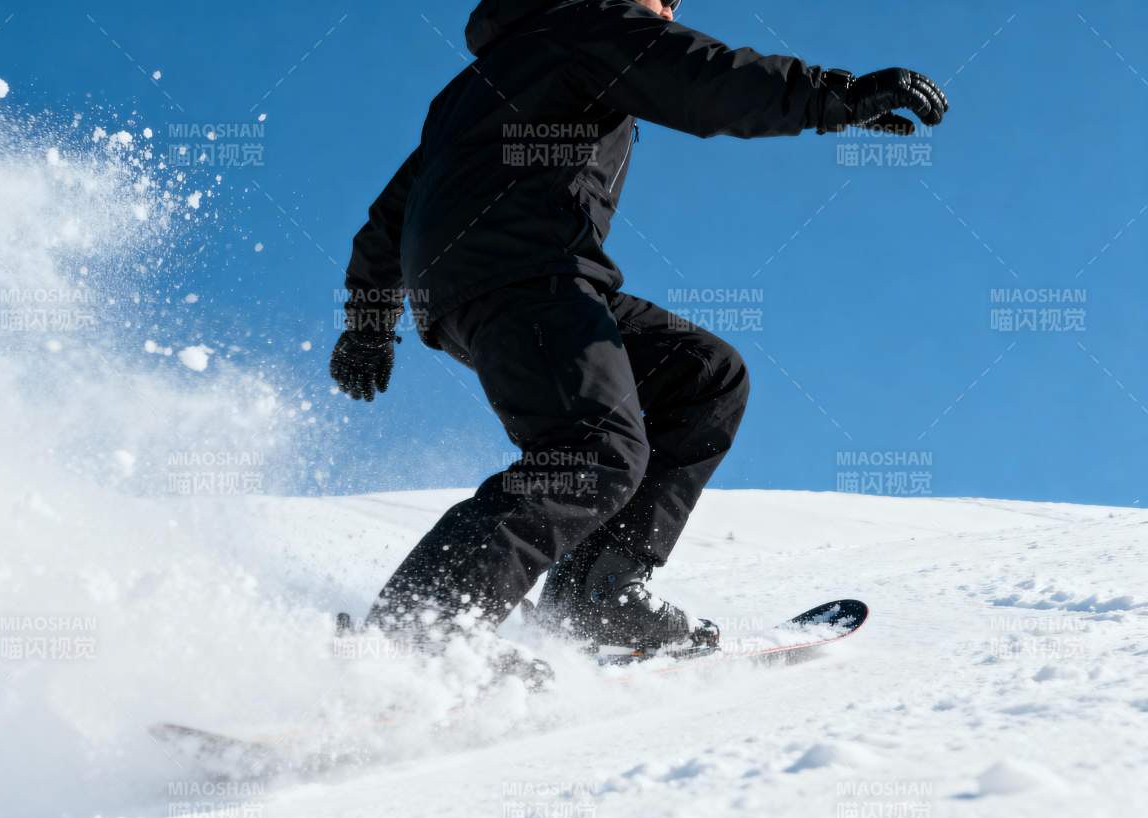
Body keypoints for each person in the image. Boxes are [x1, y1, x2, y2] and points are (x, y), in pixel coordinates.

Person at [329, 0, 949, 663]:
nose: (670, 8)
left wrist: (368, 324)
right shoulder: (589, 23)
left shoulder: (476, 85)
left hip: (498, 285)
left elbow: (392, 216)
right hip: (525, 275)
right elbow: (706, 81)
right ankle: (415, 638)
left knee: (703, 373)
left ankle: (599, 589)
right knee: (590, 453)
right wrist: (837, 97)